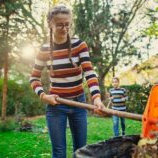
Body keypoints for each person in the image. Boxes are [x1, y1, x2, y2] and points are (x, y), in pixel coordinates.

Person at [29, 4, 104, 158]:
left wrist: (96, 97)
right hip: (56, 105)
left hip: (79, 103)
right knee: (58, 152)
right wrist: (43, 96)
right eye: (59, 25)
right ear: (50, 25)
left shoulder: (79, 45)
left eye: (67, 24)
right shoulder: (44, 50)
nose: (64, 28)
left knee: (81, 151)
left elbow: (89, 72)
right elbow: (34, 77)